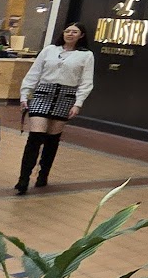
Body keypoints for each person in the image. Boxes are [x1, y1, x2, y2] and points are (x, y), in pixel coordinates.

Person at [16, 23, 95, 195]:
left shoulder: (86, 55)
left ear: (81, 35)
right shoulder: (49, 50)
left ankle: (43, 174)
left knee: (52, 139)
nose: (70, 34)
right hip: (43, 93)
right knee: (35, 137)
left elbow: (86, 82)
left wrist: (78, 103)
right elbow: (34, 73)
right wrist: (24, 95)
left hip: (66, 96)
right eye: (67, 31)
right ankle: (23, 179)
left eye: (74, 32)